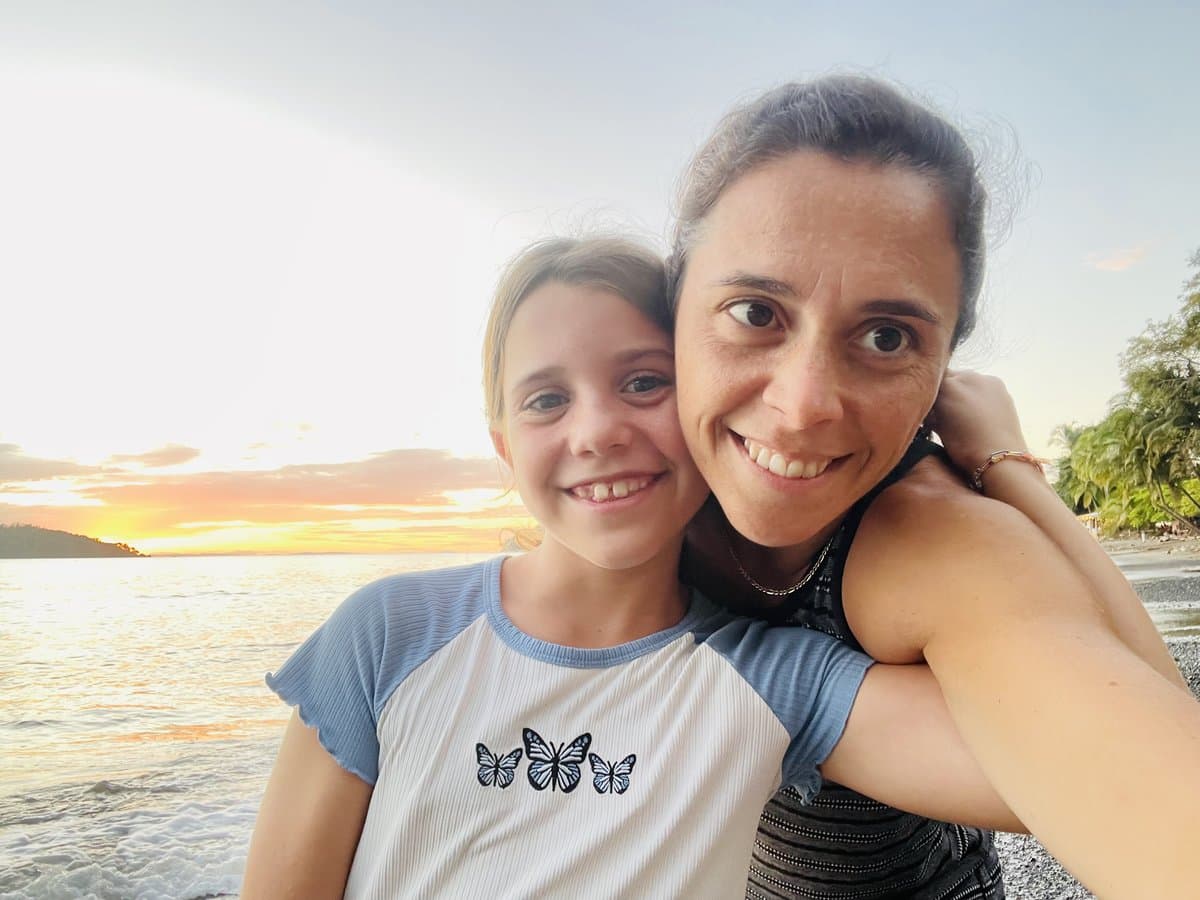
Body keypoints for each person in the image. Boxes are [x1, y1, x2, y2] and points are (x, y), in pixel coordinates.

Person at [241, 237, 1030, 899]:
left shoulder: (776, 681)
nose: (596, 432)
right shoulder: (386, 636)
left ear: (705, 406)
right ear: (505, 445)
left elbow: (1100, 762)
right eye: (546, 400)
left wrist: (1008, 469)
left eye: (645, 382)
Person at [668, 74, 1198, 899]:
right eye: (754, 313)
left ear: (947, 358)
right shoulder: (634, 494)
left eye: (887, 336)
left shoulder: (930, 538)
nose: (803, 404)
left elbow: (1155, 783)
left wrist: (1011, 472)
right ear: (672, 305)